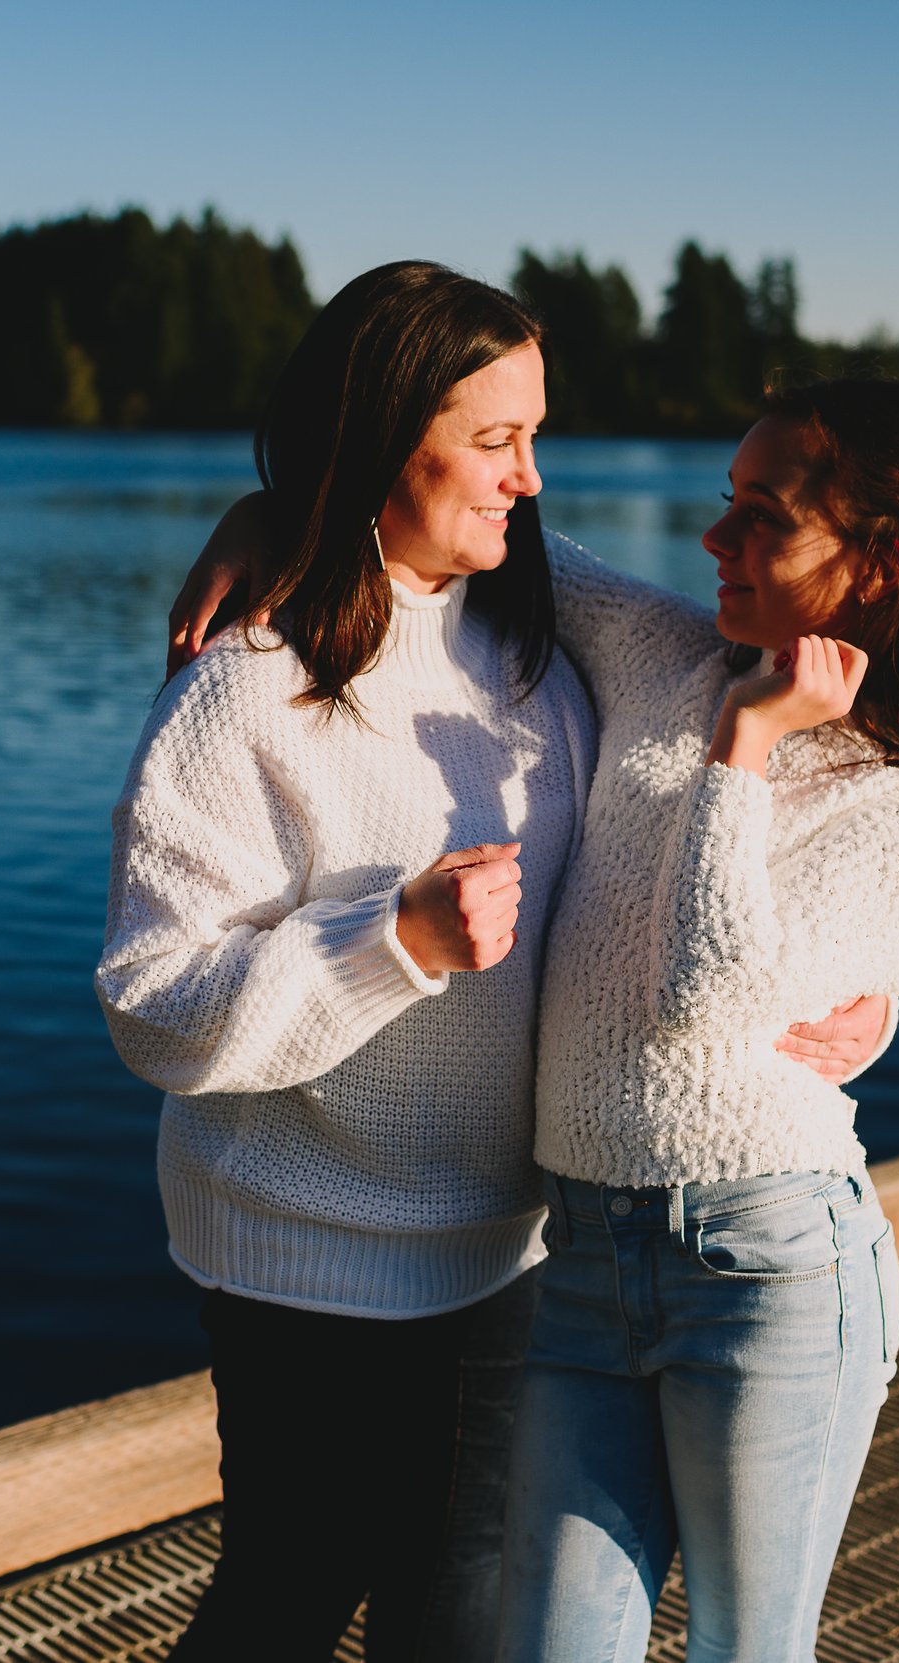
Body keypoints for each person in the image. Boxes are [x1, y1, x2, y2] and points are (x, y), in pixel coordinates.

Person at [172, 377, 899, 1661]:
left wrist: (741, 753)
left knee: (747, 1645)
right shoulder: (670, 653)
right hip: (570, 1256)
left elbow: (704, 1002)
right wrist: (277, 511)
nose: (714, 541)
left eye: (763, 518)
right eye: (726, 503)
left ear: (883, 564)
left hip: (763, 1266)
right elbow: (491, 532)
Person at [96, 260, 590, 1661]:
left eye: (535, 435)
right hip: (304, 1258)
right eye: (494, 440)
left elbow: (744, 672)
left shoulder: (543, 642)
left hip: (510, 1250)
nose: (530, 478)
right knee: (289, 1593)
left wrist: (853, 970)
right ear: (379, 436)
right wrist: (392, 942)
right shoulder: (248, 681)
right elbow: (153, 1006)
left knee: (461, 1609)